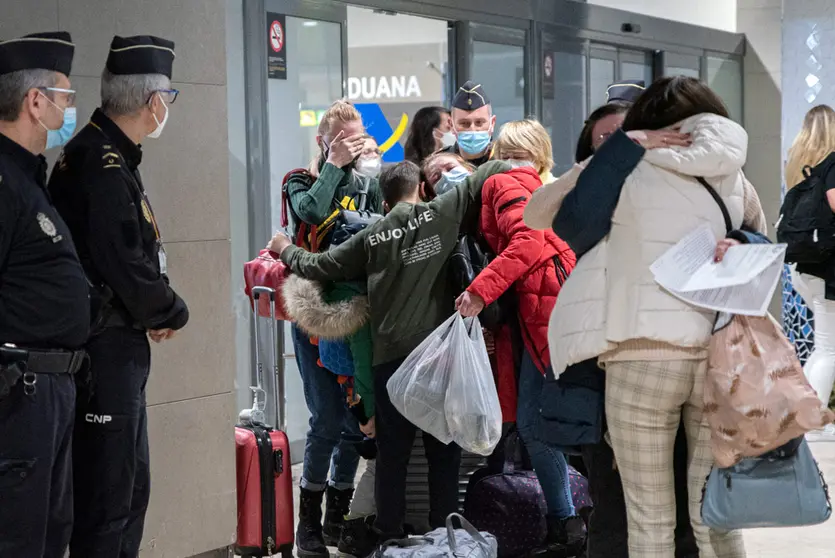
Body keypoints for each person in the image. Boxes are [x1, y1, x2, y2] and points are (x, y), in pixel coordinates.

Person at [546, 76, 765, 558]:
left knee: (648, 517)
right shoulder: (733, 176)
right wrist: (741, 245)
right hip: (716, 358)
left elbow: (565, 223)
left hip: (642, 356)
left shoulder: (629, 171)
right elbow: (761, 245)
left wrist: (621, 150)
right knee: (714, 511)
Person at [268, 159, 511, 545]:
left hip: (391, 364)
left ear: (383, 200)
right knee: (443, 455)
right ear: (421, 189)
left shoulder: (372, 235)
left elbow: (318, 265)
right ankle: (441, 537)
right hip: (438, 360)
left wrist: (283, 248)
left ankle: (389, 538)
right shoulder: (443, 211)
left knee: (392, 458)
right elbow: (493, 167)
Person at [537, 90, 700, 558]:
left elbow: (747, 223)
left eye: (634, 132)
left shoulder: (696, 180)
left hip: (682, 358)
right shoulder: (586, 195)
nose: (624, 143)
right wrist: (614, 159)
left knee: (687, 501)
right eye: (608, 137)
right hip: (601, 364)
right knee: (614, 504)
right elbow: (562, 220)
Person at [47, 35, 190, 558]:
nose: (165, 109)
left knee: (130, 488)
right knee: (108, 501)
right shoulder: (100, 163)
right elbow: (123, 260)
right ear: (154, 103)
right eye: (168, 99)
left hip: (118, 342)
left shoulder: (107, 154)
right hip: (104, 347)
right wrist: (168, 308)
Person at [455, 119, 585, 555]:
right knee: (547, 423)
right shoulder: (543, 186)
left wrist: (479, 290)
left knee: (533, 424)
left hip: (540, 315)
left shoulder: (506, 183)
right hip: (554, 310)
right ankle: (566, 523)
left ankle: (566, 526)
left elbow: (526, 240)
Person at [0, 31, 89, 558]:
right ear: (36, 101)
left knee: (51, 535)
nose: (70, 108)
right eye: (65, 96)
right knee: (18, 537)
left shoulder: (29, 177)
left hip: (50, 388)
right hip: (18, 393)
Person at [283, 99, 384, 556]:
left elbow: (383, 229)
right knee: (324, 418)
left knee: (351, 422)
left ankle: (338, 518)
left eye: (359, 135)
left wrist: (370, 169)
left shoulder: (370, 180)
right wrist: (335, 165)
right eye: (344, 138)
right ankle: (308, 522)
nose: (354, 145)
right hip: (313, 314)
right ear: (325, 141)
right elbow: (308, 213)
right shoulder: (301, 180)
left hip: (357, 313)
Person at [787, 104, 835, 409]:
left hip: (803, 263)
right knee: (828, 349)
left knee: (824, 346)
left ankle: (801, 415)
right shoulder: (832, 165)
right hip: (826, 267)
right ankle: (811, 421)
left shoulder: (798, 163)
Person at [443, 81, 496, 167]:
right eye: (464, 123)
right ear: (451, 125)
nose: (472, 129)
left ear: (492, 123)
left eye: (479, 123)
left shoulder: (504, 158)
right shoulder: (439, 164)